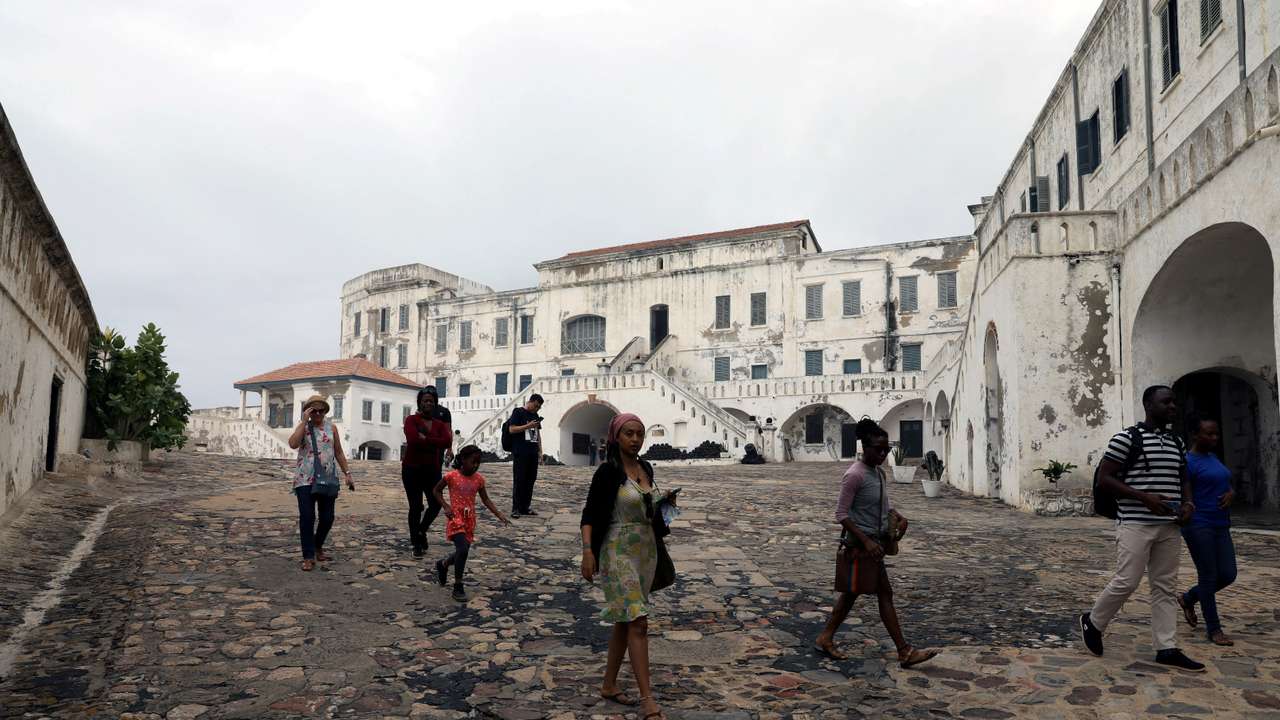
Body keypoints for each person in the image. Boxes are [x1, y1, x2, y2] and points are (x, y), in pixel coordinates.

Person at [1080, 385, 1204, 671]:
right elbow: (1105, 480)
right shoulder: (1126, 438)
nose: (1173, 406)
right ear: (1149, 405)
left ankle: (1166, 647)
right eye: (1166, 402)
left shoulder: (1176, 441)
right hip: (1135, 522)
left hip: (1169, 526)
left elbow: (1183, 477)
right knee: (1127, 580)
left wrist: (1188, 504)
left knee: (1164, 586)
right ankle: (1093, 622)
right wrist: (1143, 498)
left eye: (1174, 401)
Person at [814, 418, 937, 668]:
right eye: (878, 449)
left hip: (874, 544)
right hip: (861, 547)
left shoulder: (878, 473)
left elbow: (881, 503)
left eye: (886, 449)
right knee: (883, 594)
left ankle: (826, 636)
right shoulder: (854, 475)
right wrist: (867, 542)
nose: (882, 454)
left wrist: (897, 516)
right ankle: (904, 651)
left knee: (852, 594)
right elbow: (841, 514)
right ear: (864, 448)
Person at [580, 413, 677, 720]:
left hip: (645, 550)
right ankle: (647, 699)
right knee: (638, 621)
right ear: (616, 438)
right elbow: (589, 515)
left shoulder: (646, 468)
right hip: (617, 549)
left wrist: (665, 504)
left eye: (639, 434)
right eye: (628, 434)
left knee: (625, 619)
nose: (635, 439)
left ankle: (609, 685)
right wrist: (587, 552)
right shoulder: (608, 472)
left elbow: (649, 510)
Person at [1176, 414, 1238, 646]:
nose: (1214, 438)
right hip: (1198, 524)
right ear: (1195, 435)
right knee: (1209, 575)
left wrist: (1231, 494)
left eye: (1216, 434)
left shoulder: (1213, 458)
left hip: (1220, 523)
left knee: (1228, 574)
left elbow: (1225, 484)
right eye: (1209, 434)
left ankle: (1189, 597)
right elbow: (1185, 491)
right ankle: (1214, 629)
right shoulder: (1187, 461)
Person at [433, 445, 511, 601]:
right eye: (472, 461)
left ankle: (444, 564)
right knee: (462, 549)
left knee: (462, 552)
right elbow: (436, 490)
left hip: (469, 520)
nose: (475, 465)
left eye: (478, 463)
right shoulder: (451, 476)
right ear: (463, 459)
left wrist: (499, 514)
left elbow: (486, 499)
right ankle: (458, 586)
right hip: (455, 518)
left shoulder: (479, 480)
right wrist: (446, 505)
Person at [287, 395, 355, 571]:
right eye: (313, 410)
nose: (317, 413)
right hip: (305, 478)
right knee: (307, 517)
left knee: (327, 517)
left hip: (327, 478)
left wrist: (347, 473)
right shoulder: (304, 427)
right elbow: (293, 444)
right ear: (308, 412)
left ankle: (317, 545)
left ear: (325, 411)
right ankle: (308, 556)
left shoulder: (331, 428)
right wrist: (303, 422)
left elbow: (338, 452)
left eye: (321, 410)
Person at [403, 387, 453, 557]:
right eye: (425, 400)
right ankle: (415, 543)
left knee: (436, 503)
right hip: (412, 469)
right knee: (416, 506)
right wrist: (434, 442)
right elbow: (413, 440)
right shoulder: (411, 420)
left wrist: (427, 439)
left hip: (432, 470)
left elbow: (446, 441)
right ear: (420, 403)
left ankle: (421, 531)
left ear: (435, 404)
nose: (428, 403)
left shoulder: (439, 424)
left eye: (431, 401)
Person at [507, 394, 544, 517]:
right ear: (530, 401)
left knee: (530, 480)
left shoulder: (535, 416)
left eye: (539, 408)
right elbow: (512, 429)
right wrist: (528, 426)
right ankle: (516, 508)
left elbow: (537, 433)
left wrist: (540, 451)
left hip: (533, 451)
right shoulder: (518, 412)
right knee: (519, 480)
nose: (536, 409)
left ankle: (525, 507)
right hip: (521, 451)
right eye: (536, 406)